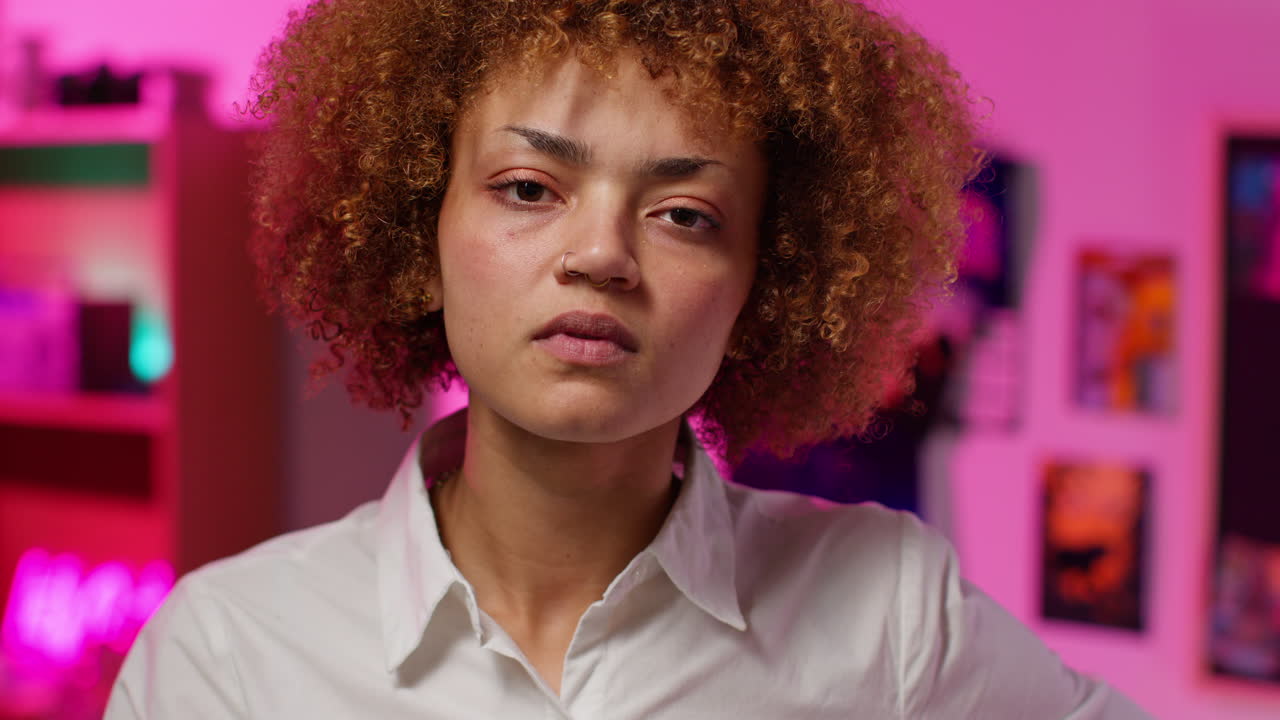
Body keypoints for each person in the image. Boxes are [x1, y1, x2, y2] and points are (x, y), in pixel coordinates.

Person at [105, 0, 1153, 717]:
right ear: (418, 227)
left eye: (683, 214)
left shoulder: (888, 616)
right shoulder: (231, 655)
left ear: (765, 286)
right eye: (528, 188)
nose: (600, 255)